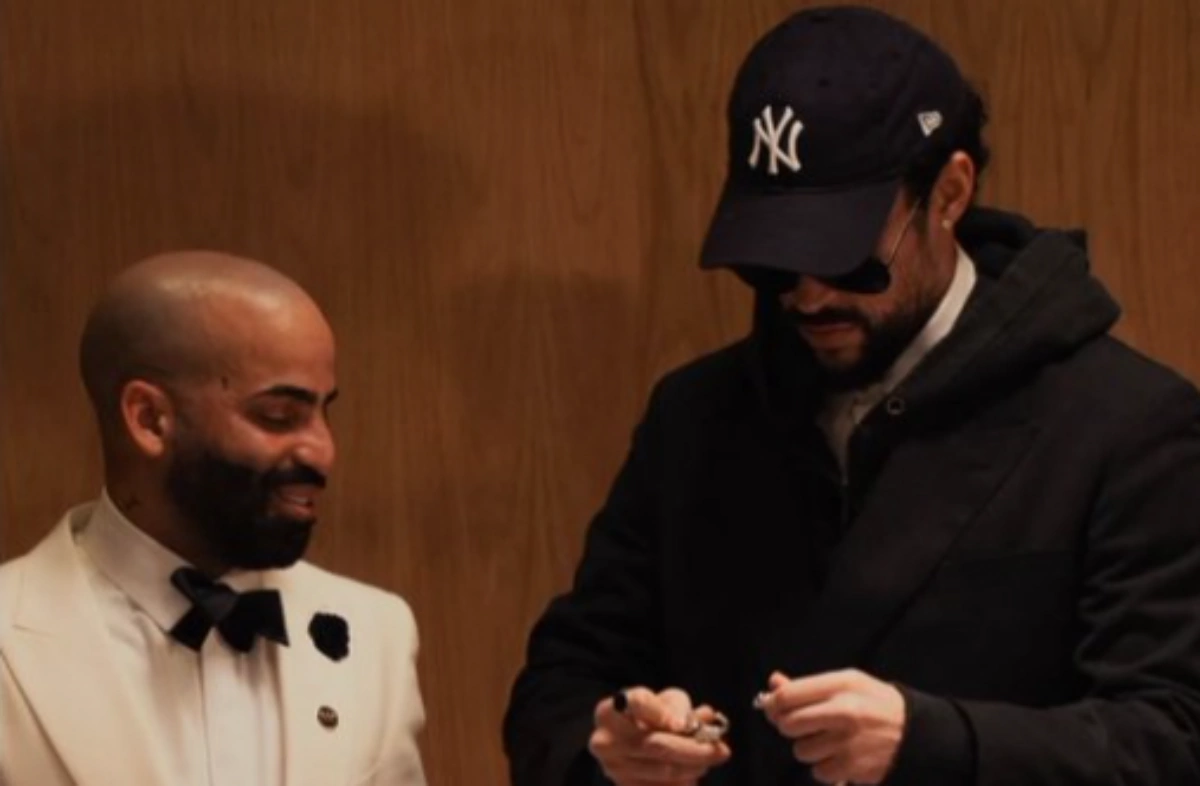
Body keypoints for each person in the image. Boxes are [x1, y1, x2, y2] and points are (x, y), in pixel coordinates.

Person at [503, 5, 1200, 785]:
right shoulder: (696, 417)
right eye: (772, 261)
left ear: (949, 193)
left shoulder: (1125, 425)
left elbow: (1172, 737)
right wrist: (609, 746)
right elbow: (558, 688)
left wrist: (931, 740)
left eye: (843, 257)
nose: (808, 296)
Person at [0, 251, 427, 786]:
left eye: (324, 411)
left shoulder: (377, 633)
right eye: (278, 416)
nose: (323, 452)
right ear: (150, 419)